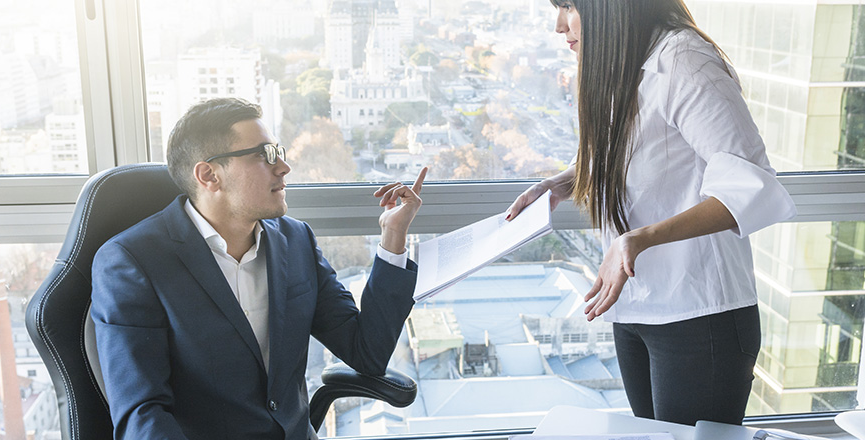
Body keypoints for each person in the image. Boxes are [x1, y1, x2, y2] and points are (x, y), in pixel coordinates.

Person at [506, 0, 796, 426]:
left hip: (699, 316)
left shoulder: (685, 60)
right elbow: (633, 154)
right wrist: (562, 183)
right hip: (634, 308)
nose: (559, 25)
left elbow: (749, 187)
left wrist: (640, 238)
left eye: (568, 5)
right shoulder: (622, 62)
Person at [90, 97, 427, 439]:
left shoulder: (296, 241)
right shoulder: (132, 262)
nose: (283, 167)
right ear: (209, 175)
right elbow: (142, 415)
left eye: (279, 152)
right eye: (265, 155)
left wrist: (393, 236)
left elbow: (366, 353)